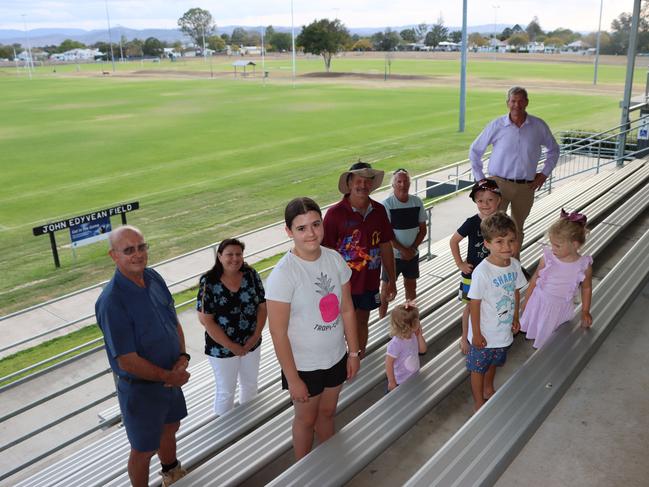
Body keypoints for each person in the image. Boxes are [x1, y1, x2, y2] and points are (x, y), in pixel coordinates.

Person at [266, 197, 361, 460]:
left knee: (328, 413)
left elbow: (347, 309)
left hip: (335, 357)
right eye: (301, 228)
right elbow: (278, 332)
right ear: (288, 232)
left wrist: (353, 353)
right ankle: (303, 472)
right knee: (306, 421)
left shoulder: (334, 259)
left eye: (315, 224)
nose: (311, 233)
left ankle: (328, 464)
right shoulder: (283, 275)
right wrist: (293, 379)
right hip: (304, 367)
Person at [95, 225, 189, 487]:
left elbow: (173, 322)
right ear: (113, 256)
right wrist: (168, 375)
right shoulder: (112, 301)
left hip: (171, 378)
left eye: (141, 247)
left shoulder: (154, 277)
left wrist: (182, 357)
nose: (137, 255)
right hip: (142, 390)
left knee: (171, 427)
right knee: (143, 450)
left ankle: (171, 472)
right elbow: (126, 359)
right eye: (128, 250)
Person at [469, 86, 560, 253]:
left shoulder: (538, 126)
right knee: (494, 228)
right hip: (499, 185)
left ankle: (513, 265)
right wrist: (481, 180)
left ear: (526, 102)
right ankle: (492, 265)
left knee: (517, 230)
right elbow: (475, 150)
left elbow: (554, 149)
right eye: (513, 101)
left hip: (526, 187)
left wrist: (544, 174)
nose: (516, 105)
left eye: (520, 101)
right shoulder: (497, 125)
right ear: (507, 103)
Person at [323, 161, 397, 357]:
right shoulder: (334, 214)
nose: (363, 185)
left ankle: (358, 357)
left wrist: (391, 280)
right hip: (341, 285)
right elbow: (325, 252)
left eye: (367, 181)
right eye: (358, 181)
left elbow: (386, 246)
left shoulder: (379, 211)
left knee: (362, 320)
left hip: (369, 282)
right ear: (349, 183)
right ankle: (341, 361)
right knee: (339, 327)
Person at [196, 238, 267, 416]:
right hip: (222, 349)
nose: (234, 258)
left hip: (251, 343)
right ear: (219, 256)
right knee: (226, 391)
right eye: (229, 254)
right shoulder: (209, 281)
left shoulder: (251, 275)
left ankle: (248, 424)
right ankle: (225, 433)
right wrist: (231, 346)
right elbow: (206, 320)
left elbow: (263, 307)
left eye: (238, 254)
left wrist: (255, 337)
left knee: (250, 385)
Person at [466, 212, 527, 412]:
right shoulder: (482, 272)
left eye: (511, 241)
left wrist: (516, 316)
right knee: (477, 368)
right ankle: (477, 401)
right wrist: (476, 333)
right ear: (487, 244)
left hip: (503, 330)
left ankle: (488, 388)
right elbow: (473, 304)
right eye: (499, 241)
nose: (507, 247)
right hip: (484, 332)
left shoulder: (515, 266)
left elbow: (516, 291)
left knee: (493, 362)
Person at [521, 209, 593, 349]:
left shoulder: (583, 266)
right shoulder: (548, 259)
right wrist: (527, 300)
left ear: (575, 244)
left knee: (552, 339)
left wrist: (585, 310)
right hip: (540, 302)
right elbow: (535, 278)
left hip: (560, 308)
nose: (553, 248)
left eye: (557, 245)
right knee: (539, 330)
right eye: (551, 243)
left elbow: (586, 287)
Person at [450, 179, 502, 354]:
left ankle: (488, 332)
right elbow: (454, 241)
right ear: (475, 202)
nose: (485, 204)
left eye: (489, 200)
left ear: (499, 200)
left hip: (494, 273)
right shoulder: (472, 222)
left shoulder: (502, 221)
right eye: (480, 200)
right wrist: (460, 264)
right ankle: (465, 338)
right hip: (472, 274)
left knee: (492, 303)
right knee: (470, 307)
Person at [379, 168, 427, 318]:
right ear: (393, 185)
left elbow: (423, 229)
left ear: (409, 183)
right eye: (399, 181)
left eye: (405, 181)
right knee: (386, 288)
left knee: (411, 287)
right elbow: (387, 235)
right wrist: (403, 250)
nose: (402, 184)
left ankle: (410, 317)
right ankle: (381, 317)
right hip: (392, 256)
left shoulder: (417, 202)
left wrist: (411, 249)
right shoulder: (387, 205)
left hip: (412, 255)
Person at [385, 301, 427, 392]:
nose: (419, 322)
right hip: (400, 381)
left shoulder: (413, 335)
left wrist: (419, 335)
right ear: (409, 326)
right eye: (417, 320)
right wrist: (392, 382)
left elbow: (423, 350)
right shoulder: (395, 344)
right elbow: (389, 364)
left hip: (414, 375)